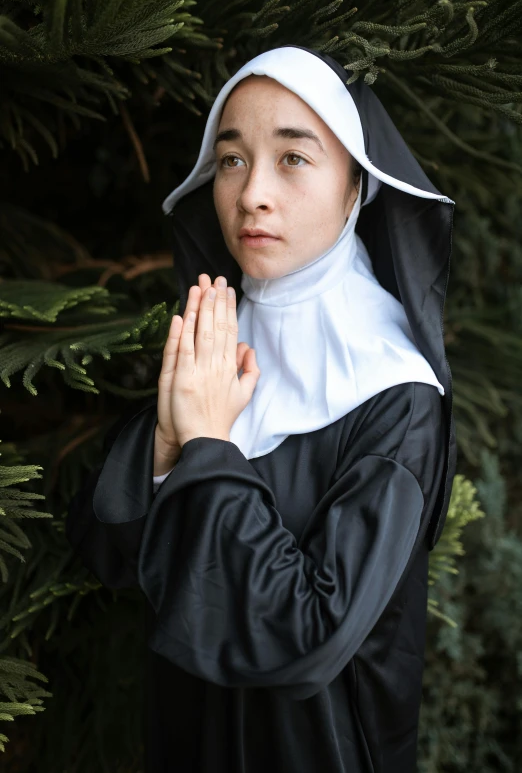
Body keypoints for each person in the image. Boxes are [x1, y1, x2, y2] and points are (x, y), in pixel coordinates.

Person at [66, 45, 457, 773]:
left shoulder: (397, 398)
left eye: (293, 159)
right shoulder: (216, 342)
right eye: (233, 159)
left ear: (355, 188)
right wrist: (164, 444)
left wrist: (209, 446)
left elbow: (309, 638)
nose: (252, 194)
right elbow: (108, 553)